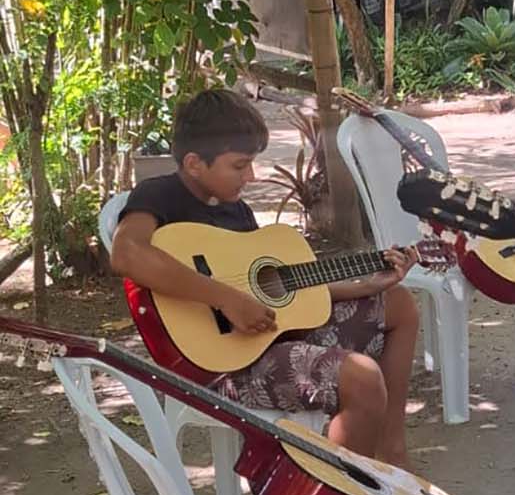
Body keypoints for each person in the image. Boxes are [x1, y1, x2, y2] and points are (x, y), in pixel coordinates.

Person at [110, 88, 420, 466]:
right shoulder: (158, 196)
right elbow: (127, 254)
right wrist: (225, 298)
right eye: (239, 166)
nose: (252, 176)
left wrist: (363, 286)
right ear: (194, 164)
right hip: (217, 367)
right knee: (360, 378)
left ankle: (391, 452)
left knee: (398, 304)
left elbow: (280, 291)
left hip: (266, 341)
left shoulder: (235, 211)